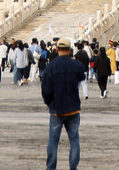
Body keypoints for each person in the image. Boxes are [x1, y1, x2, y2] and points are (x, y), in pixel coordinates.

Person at [41, 37, 86, 170]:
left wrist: (48, 102)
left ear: (57, 49)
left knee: (53, 142)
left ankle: (51, 167)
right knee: (74, 140)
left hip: (56, 109)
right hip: (73, 108)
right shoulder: (77, 65)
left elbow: (45, 89)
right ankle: (73, 167)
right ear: (69, 49)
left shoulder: (51, 66)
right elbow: (82, 78)